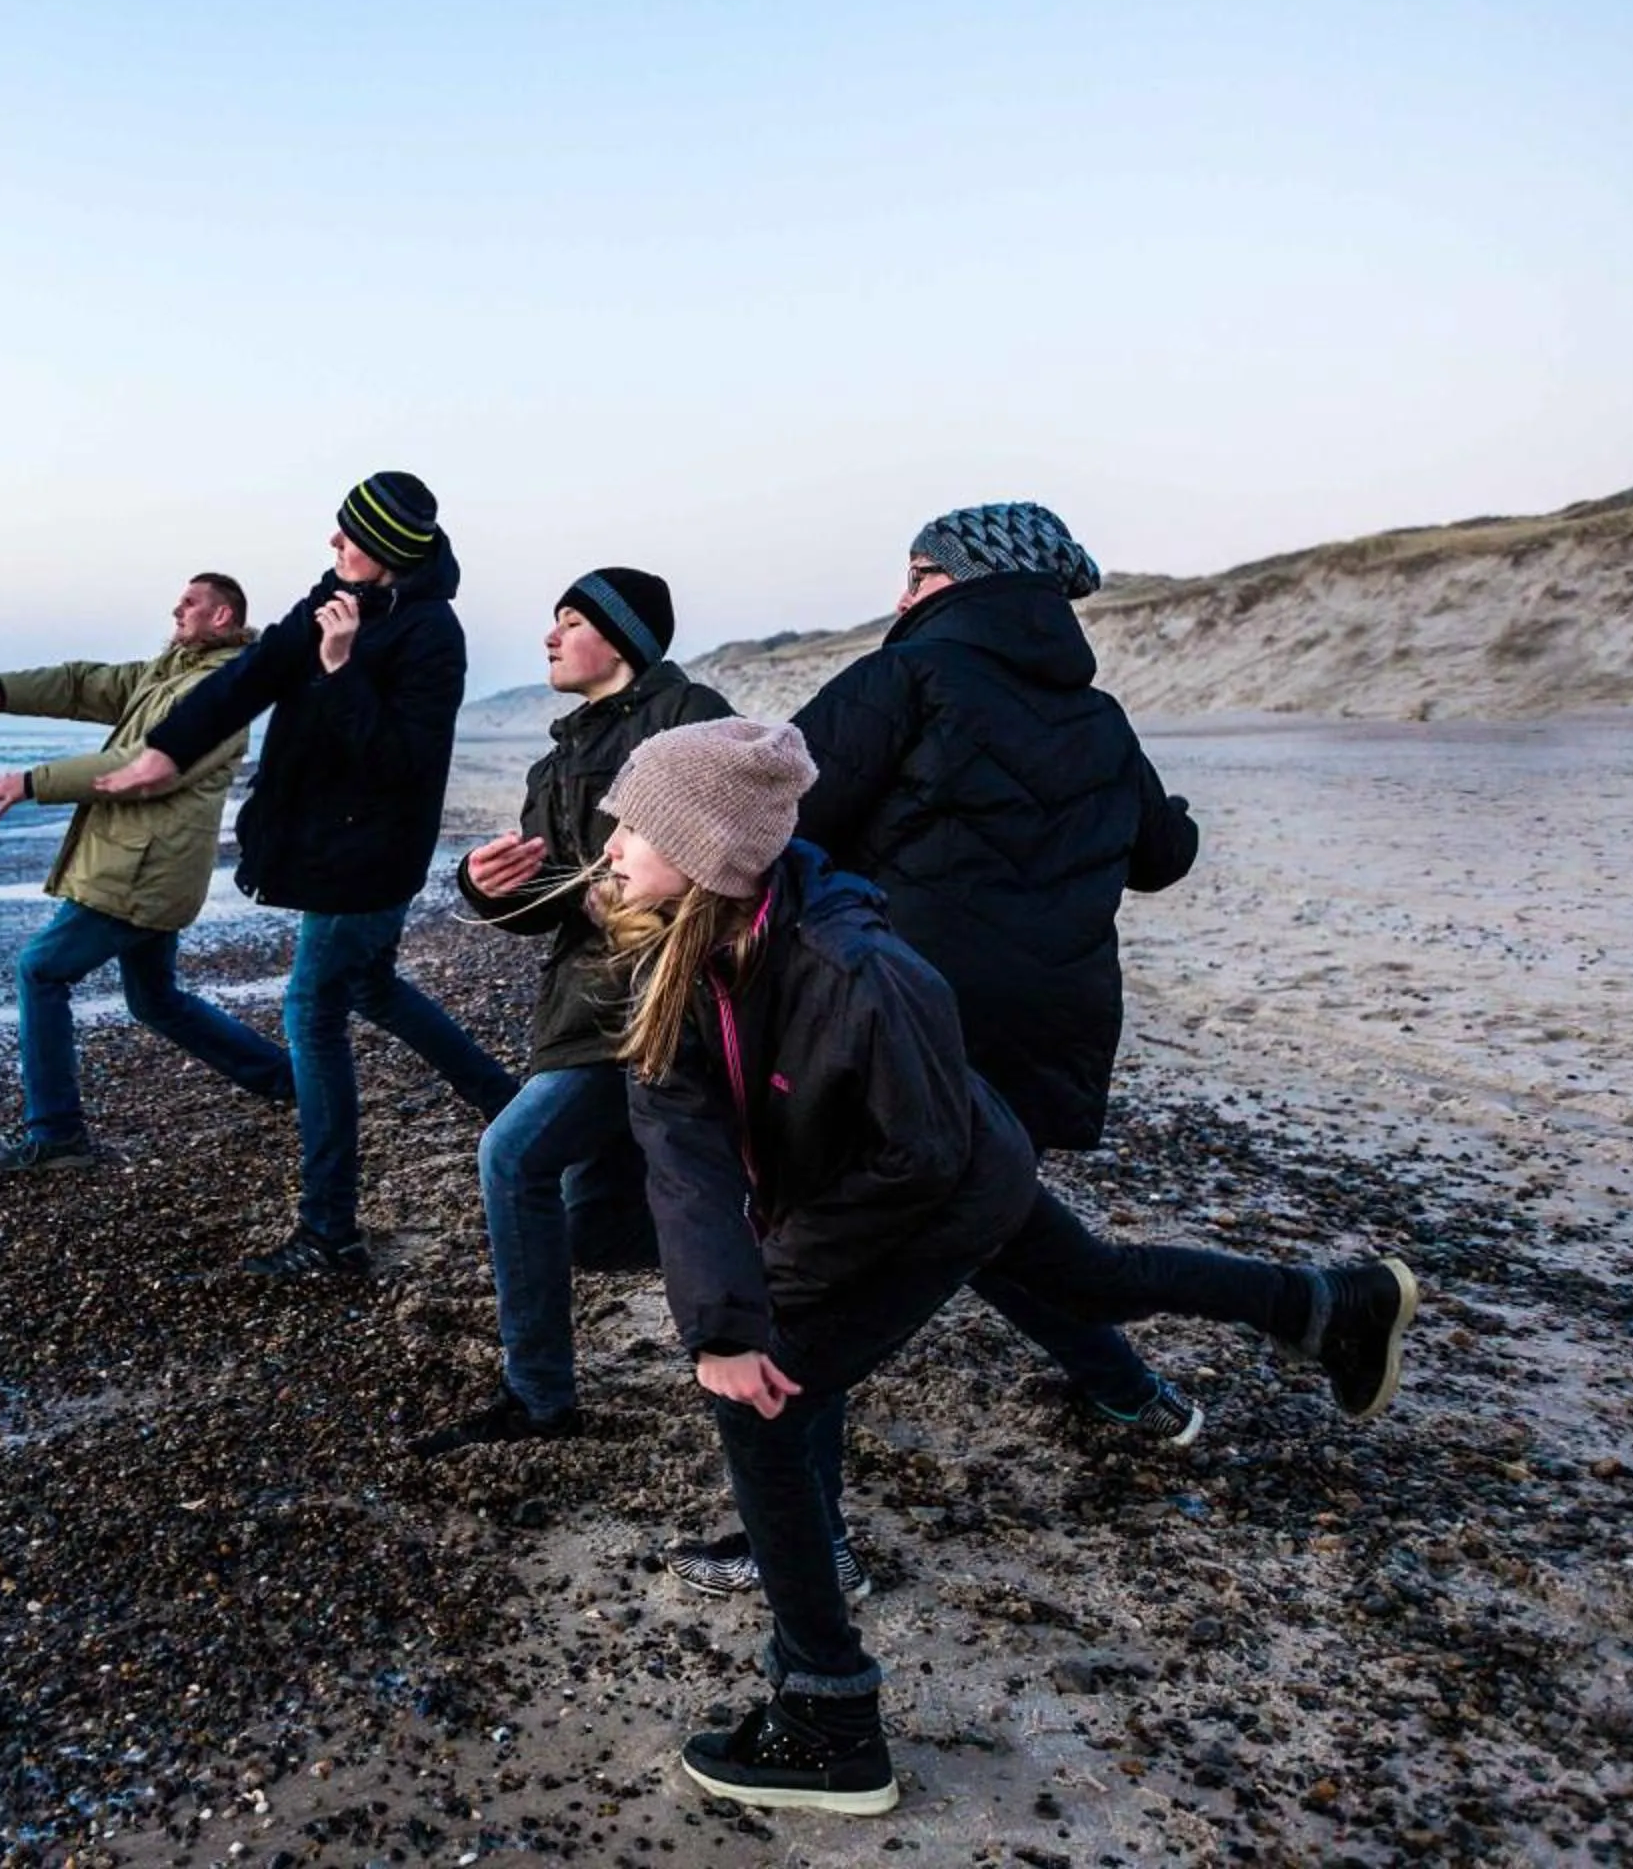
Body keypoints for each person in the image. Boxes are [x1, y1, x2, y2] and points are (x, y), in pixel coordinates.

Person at [597, 719, 1418, 1815]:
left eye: (633, 826)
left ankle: (828, 1714)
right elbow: (679, 1132)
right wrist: (723, 1307)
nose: (608, 844)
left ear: (709, 851)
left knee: (767, 1393)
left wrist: (757, 1305)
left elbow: (921, 1160)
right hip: (904, 1168)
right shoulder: (680, 935)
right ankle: (1329, 1305)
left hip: (943, 1182)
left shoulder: (863, 971)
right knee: (1088, 1283)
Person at [671, 501, 1210, 1596]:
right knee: (989, 1215)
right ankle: (1134, 1390)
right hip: (1043, 1021)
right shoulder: (1099, 714)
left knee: (812, 1279)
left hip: (897, 1021)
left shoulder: (900, 679)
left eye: (915, 570)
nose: (902, 591)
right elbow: (1162, 856)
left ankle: (812, 1547)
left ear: (954, 579)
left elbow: (776, 814)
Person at [96, 472, 517, 1276]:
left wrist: (339, 666)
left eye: (348, 535)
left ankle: (330, 1234)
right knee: (372, 988)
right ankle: (522, 1112)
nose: (333, 545)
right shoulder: (334, 594)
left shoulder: (432, 633)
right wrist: (166, 750)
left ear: (386, 551)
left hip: (371, 859)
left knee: (312, 1014)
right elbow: (246, 681)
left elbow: (402, 762)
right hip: (337, 849)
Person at [409, 570, 734, 1455]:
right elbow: (543, 901)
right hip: (584, 1004)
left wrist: (635, 903)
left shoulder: (690, 714)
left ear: (622, 637)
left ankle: (543, 1399)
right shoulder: (554, 761)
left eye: (571, 621)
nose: (551, 637)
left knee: (514, 1155)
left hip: (668, 1001)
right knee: (624, 1215)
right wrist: (479, 888)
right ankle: (732, 1346)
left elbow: (736, 845)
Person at [0, 572, 294, 1169]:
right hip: (144, 866)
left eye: (190, 602)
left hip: (140, 870)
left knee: (41, 970)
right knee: (156, 999)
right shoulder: (167, 673)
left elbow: (142, 766)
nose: (177, 609)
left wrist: (32, 782)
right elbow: (85, 684)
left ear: (223, 617)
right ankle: (288, 1081)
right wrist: (1, 689)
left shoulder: (224, 687)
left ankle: (57, 1133)